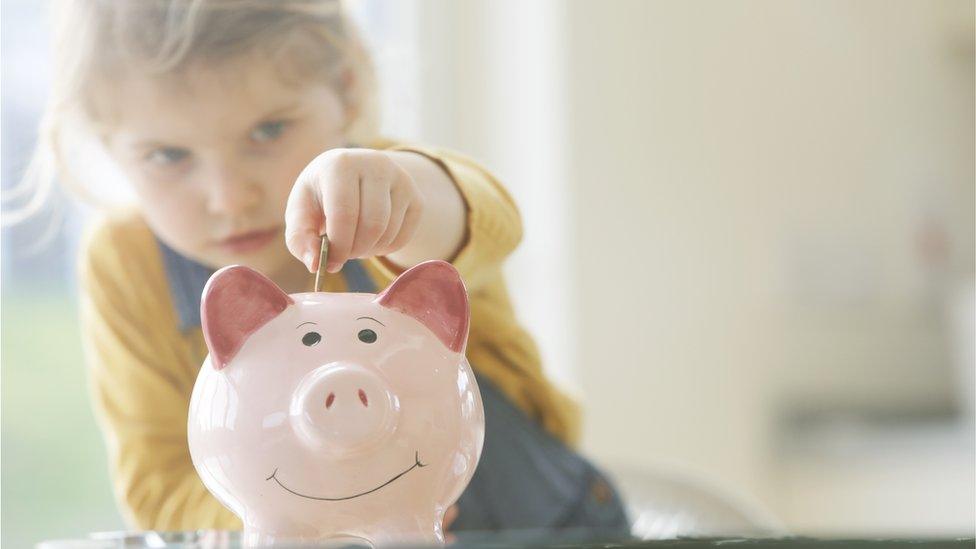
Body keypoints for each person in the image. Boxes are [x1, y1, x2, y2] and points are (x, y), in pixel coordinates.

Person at [27, 0, 630, 538]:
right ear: (111, 148)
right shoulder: (127, 265)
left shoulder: (397, 195)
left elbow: (489, 220)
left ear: (345, 91)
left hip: (538, 526)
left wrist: (401, 195)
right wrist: (308, 516)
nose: (230, 196)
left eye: (268, 130)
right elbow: (157, 491)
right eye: (168, 155)